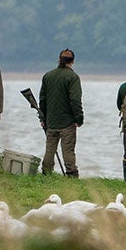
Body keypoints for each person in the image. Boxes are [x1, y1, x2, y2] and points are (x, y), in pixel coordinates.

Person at [37, 48, 83, 177]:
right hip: (67, 122)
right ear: (73, 61)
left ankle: (46, 173)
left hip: (51, 121)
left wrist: (43, 118)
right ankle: (71, 173)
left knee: (49, 149)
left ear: (59, 60)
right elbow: (75, 100)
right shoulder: (73, 77)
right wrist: (79, 119)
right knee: (68, 150)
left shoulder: (48, 76)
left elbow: (42, 99)